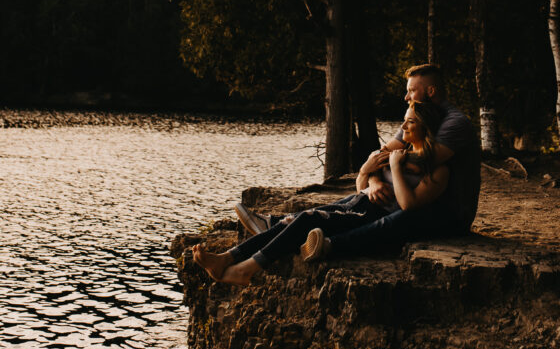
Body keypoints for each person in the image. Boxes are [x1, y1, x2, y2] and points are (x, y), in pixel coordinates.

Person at [192, 100, 448, 287]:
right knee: (295, 220)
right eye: (404, 119)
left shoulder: (437, 169)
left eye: (410, 121)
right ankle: (226, 258)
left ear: (426, 127)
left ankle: (246, 269)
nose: (402, 126)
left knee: (306, 220)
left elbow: (407, 205)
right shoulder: (396, 152)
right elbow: (361, 184)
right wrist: (369, 173)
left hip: (372, 216)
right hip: (358, 203)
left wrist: (394, 168)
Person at [300, 63, 481, 262]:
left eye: (412, 90)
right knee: (358, 205)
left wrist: (390, 162)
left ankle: (330, 245)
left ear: (430, 91)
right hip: (423, 202)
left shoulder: (454, 122)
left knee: (399, 218)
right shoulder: (414, 117)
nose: (406, 97)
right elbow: (382, 153)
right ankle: (284, 226)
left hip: (450, 213)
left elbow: (423, 163)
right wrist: (374, 180)